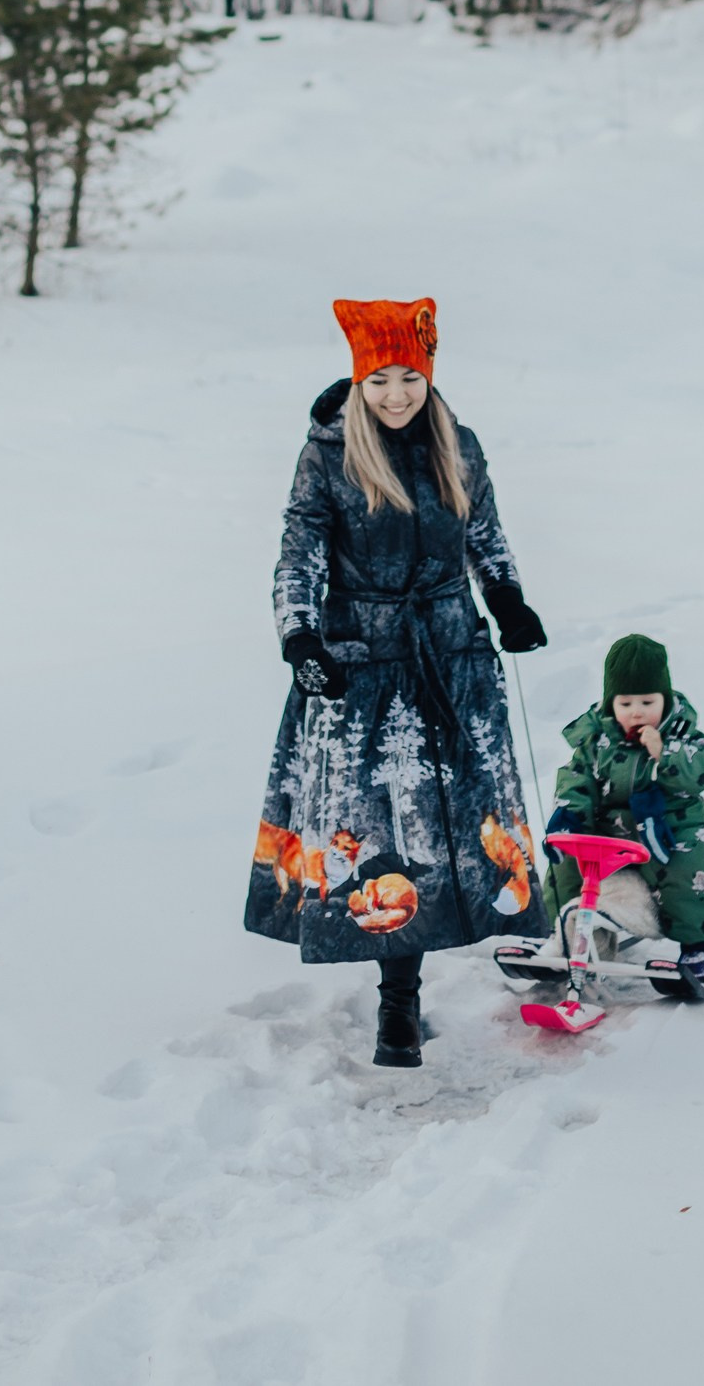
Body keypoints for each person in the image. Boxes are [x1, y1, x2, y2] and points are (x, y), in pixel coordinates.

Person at [245, 296, 549, 1069]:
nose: (395, 395)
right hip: (362, 667)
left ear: (428, 374)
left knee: (457, 831)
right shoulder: (330, 454)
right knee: (385, 838)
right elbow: (299, 553)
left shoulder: (460, 443)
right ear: (357, 379)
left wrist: (506, 598)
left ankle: (453, 962)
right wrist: (301, 635)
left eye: (408, 377)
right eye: (378, 379)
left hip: (451, 655)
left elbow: (485, 533)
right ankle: (399, 1006)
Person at [545, 631, 704, 984]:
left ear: (665, 700)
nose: (637, 712)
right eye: (626, 703)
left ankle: (700, 943)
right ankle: (569, 938)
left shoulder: (682, 735)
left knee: (687, 869)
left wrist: (665, 753)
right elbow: (577, 778)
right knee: (564, 867)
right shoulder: (596, 741)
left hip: (672, 824)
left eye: (647, 703)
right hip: (609, 832)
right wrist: (569, 813)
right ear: (610, 704)